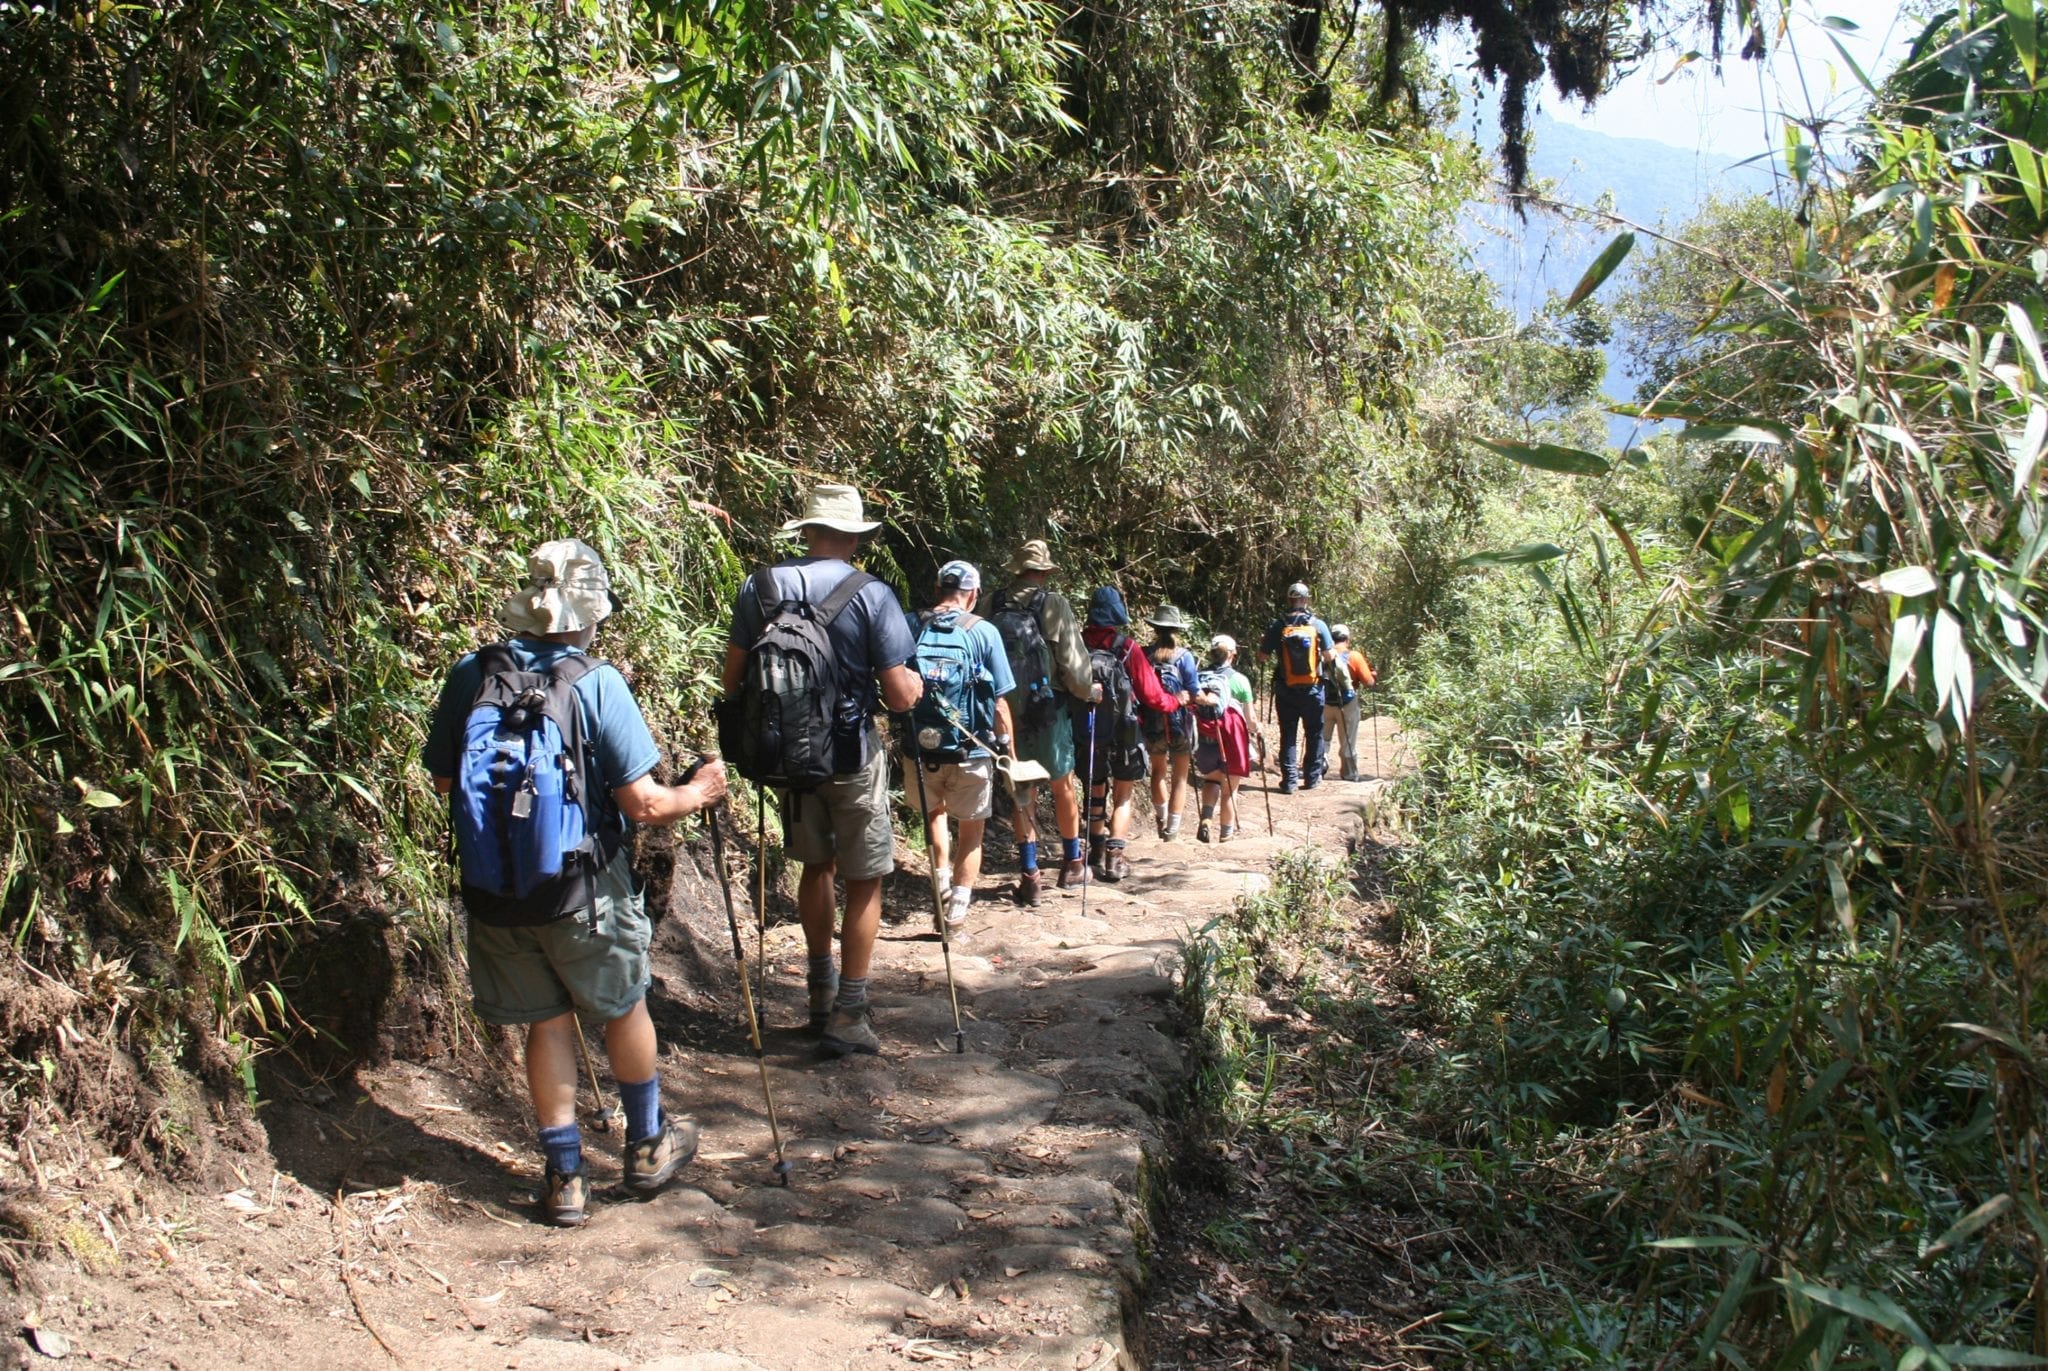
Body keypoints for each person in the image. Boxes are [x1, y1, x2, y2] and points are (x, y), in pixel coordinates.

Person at [425, 539, 730, 1228]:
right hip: (585, 889)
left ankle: (565, 1177)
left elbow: (446, 781)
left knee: (545, 1021)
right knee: (623, 1005)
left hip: (497, 891)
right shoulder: (595, 682)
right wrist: (700, 790)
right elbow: (644, 804)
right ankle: (647, 1144)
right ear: (587, 611)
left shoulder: (471, 673)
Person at [721, 484, 922, 1058]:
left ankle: (818, 993)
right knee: (865, 877)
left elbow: (732, 681)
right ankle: (850, 1013)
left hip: (790, 759)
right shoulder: (871, 594)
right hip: (853, 756)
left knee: (816, 866)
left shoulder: (760, 588)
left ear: (806, 532)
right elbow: (899, 694)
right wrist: (914, 687)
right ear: (856, 538)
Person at [903, 560, 1015, 938]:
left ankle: (941, 884)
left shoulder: (910, 624)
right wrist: (1009, 753)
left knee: (934, 815)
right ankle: (955, 914)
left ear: (938, 590)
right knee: (972, 833)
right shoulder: (984, 631)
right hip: (973, 748)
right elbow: (999, 702)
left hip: (919, 748)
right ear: (974, 594)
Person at [987, 539, 1098, 905]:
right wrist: (1089, 693)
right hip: (1047, 710)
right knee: (1062, 782)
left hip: (1004, 710)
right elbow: (1074, 664)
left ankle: (1030, 875)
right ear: (1046, 572)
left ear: (1015, 570)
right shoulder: (1054, 604)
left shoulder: (991, 603)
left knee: (1022, 791)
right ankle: (1072, 862)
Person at [1077, 587, 1182, 882]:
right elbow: (1153, 696)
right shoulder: (1127, 648)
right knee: (1123, 796)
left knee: (1094, 792)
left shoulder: (1078, 644)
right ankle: (1115, 859)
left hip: (1086, 730)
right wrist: (1176, 702)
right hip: (1124, 731)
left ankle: (1095, 851)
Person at [1256, 582, 1336, 793]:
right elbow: (1329, 656)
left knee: (1288, 734)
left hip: (1286, 689)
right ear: (1306, 600)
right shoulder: (1319, 625)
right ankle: (1312, 778)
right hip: (1313, 689)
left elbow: (1262, 657)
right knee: (1314, 733)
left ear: (1289, 600)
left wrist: (1265, 644)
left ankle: (1290, 781)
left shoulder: (1278, 626)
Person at [1141, 606, 1200, 841]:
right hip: (1180, 723)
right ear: (1177, 629)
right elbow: (1194, 692)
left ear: (1154, 628)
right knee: (1180, 777)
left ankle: (1161, 817)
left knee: (1157, 772)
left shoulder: (1144, 655)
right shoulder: (1184, 656)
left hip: (1153, 722)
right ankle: (1172, 830)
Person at [1192, 635, 1255, 842]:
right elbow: (1250, 719)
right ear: (1233, 654)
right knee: (1229, 789)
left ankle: (1206, 819)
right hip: (1230, 741)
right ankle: (1226, 833)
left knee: (1211, 780)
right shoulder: (1240, 680)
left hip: (1205, 739)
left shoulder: (1199, 677)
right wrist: (1257, 731)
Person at [1320, 624, 1377, 782]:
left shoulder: (1322, 655)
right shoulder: (1354, 657)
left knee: (1323, 738)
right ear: (1347, 639)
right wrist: (1373, 674)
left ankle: (1318, 769)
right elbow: (1369, 682)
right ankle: (1349, 774)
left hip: (1325, 702)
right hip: (1347, 704)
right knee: (1348, 740)